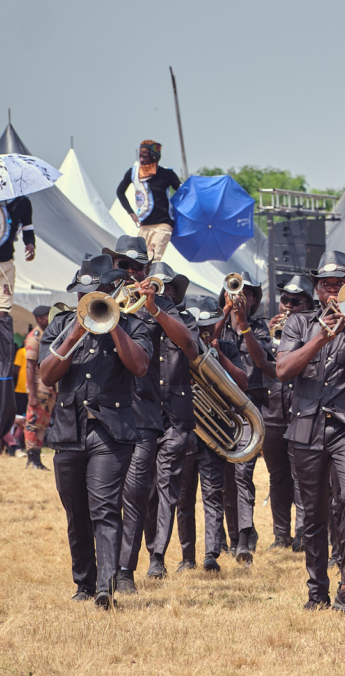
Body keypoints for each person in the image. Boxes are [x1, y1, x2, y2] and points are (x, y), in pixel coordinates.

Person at [40, 255, 153, 609]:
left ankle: (106, 585)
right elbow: (46, 375)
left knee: (104, 509)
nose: (87, 298)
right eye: (82, 293)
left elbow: (139, 366)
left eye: (96, 293)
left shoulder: (133, 325)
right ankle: (84, 583)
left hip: (110, 431)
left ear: (112, 291)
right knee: (76, 512)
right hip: (68, 430)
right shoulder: (60, 325)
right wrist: (76, 329)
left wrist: (113, 322)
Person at [276, 251, 345, 613]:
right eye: (326, 285)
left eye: (339, 285)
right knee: (312, 512)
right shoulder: (298, 324)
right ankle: (317, 589)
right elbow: (283, 371)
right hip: (305, 426)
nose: (332, 292)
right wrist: (321, 337)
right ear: (318, 290)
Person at [100, 238, 198, 593]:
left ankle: (124, 571)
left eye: (138, 268)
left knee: (136, 493)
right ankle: (93, 575)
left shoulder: (162, 304)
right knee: (101, 497)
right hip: (101, 412)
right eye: (124, 265)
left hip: (142, 413)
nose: (131, 273)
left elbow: (189, 344)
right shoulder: (97, 295)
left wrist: (155, 309)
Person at [176, 296, 248, 573]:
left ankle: (211, 553)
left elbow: (242, 383)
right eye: (199, 328)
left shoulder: (226, 346)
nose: (204, 332)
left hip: (217, 434)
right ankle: (187, 556)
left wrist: (220, 358)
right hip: (186, 432)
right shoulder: (179, 348)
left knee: (212, 496)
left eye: (208, 326)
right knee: (183, 499)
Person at [140, 263, 199, 578]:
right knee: (144, 490)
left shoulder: (186, 320)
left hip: (177, 417)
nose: (161, 293)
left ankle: (157, 556)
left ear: (174, 293)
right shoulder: (132, 317)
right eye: (155, 287)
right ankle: (151, 549)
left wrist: (157, 312)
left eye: (166, 288)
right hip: (143, 415)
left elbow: (189, 347)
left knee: (167, 487)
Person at [214, 271, 272, 564]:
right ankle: (233, 536)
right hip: (220, 408)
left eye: (248, 294)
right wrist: (225, 312)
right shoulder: (218, 325)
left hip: (251, 409)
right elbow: (204, 341)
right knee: (225, 478)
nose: (241, 297)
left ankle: (245, 534)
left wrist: (244, 324)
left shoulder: (259, 328)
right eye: (236, 292)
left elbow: (260, 359)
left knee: (242, 474)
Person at [263, 275, 315, 552]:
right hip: (273, 413)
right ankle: (280, 535)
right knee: (277, 477)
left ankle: (303, 535)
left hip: (300, 412)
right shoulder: (271, 329)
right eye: (286, 300)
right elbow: (262, 365)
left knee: (303, 477)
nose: (289, 306)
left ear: (308, 304)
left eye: (296, 302)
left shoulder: (313, 329)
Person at [115, 141, 180, 261]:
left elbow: (182, 192)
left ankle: (152, 280)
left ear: (154, 157)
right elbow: (120, 192)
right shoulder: (133, 173)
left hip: (163, 224)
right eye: (140, 156)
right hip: (144, 226)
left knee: (153, 257)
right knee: (139, 260)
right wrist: (131, 213)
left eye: (145, 156)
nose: (141, 159)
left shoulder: (166, 174)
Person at [23, 305, 53, 471]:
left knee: (42, 424)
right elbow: (29, 366)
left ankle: (37, 459)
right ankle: (31, 458)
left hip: (48, 388)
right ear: (40, 318)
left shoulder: (45, 334)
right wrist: (32, 394)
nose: (51, 317)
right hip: (38, 388)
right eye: (48, 315)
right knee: (33, 423)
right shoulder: (35, 337)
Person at [0, 193, 37, 315]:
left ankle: (4, 334)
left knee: (4, 309)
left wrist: (30, 243)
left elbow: (28, 227)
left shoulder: (22, 202)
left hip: (6, 263)